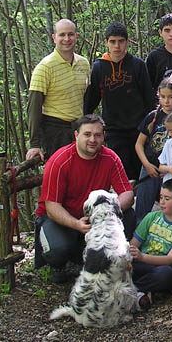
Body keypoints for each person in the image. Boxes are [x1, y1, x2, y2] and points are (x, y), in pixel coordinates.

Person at [34, 114, 135, 281]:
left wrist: (108, 211)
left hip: (95, 217)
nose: (92, 140)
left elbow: (127, 194)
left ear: (103, 136)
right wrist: (76, 224)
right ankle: (58, 266)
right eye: (87, 134)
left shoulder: (110, 158)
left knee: (128, 215)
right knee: (57, 250)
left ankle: (109, 260)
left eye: (97, 135)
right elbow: (52, 207)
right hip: (61, 219)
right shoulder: (60, 161)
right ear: (76, 135)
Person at [83, 22, 154, 181]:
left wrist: (151, 124)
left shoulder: (138, 65)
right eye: (113, 41)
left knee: (141, 173)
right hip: (114, 130)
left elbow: (149, 98)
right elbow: (91, 99)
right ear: (106, 42)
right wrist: (83, 123)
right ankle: (126, 205)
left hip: (139, 129)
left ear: (127, 42)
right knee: (123, 174)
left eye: (121, 41)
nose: (117, 46)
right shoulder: (99, 67)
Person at [26, 19, 90, 161]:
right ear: (54, 38)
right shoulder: (45, 67)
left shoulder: (84, 64)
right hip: (54, 131)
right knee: (60, 177)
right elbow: (34, 107)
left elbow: (85, 98)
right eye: (62, 35)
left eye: (70, 34)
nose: (66, 39)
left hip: (79, 129)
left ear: (76, 37)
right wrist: (34, 143)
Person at [129, 177, 172, 310]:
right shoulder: (151, 217)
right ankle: (138, 292)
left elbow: (170, 259)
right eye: (161, 197)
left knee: (167, 275)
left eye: (167, 199)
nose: (162, 202)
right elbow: (133, 244)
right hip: (141, 264)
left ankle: (132, 290)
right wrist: (132, 257)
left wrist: (142, 257)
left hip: (159, 267)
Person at [134, 79, 172, 226]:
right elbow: (139, 144)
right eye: (163, 97)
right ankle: (136, 240)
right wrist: (146, 165)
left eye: (171, 97)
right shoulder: (153, 117)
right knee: (142, 208)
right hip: (150, 168)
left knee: (169, 209)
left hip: (171, 171)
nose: (166, 101)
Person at [146, 13, 172, 90]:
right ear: (160, 33)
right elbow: (148, 86)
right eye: (167, 30)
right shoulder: (154, 57)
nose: (171, 34)